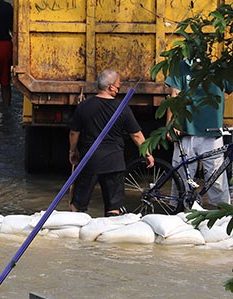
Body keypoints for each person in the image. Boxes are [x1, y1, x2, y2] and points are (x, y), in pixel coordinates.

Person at [68, 70, 154, 216]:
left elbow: (74, 133)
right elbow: (136, 135)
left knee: (77, 205)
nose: (119, 88)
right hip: (114, 162)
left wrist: (73, 151)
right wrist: (147, 154)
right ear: (110, 87)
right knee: (114, 208)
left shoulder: (84, 106)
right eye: (118, 85)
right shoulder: (122, 108)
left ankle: (78, 235)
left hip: (90, 161)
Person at [165, 59, 232, 206]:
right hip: (186, 131)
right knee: (181, 177)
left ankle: (222, 214)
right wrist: (171, 124)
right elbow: (174, 95)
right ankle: (178, 211)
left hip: (212, 132)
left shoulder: (220, 66)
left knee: (217, 179)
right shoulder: (181, 66)